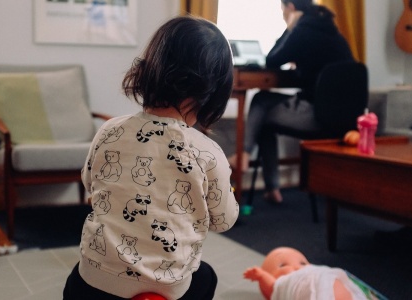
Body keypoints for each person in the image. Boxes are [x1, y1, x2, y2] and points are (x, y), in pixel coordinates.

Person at [63, 15, 239, 300]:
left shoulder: (109, 130)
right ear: (214, 92)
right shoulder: (208, 153)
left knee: (74, 283)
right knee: (206, 276)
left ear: (149, 69)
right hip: (168, 287)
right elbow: (223, 220)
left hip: (95, 282)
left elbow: (90, 183)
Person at [228, 0, 355, 203]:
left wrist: (289, 29)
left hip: (316, 116)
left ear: (291, 8)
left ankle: (244, 155)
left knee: (261, 100)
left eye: (282, 10)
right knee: (264, 120)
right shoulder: (332, 31)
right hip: (343, 119)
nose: (282, 15)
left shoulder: (303, 29)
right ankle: (272, 189)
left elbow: (272, 60)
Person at [244, 247, 381, 300]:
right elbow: (273, 286)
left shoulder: (314, 270)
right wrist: (262, 276)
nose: (296, 266)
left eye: (303, 263)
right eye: (283, 265)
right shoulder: (283, 284)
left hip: (330, 280)